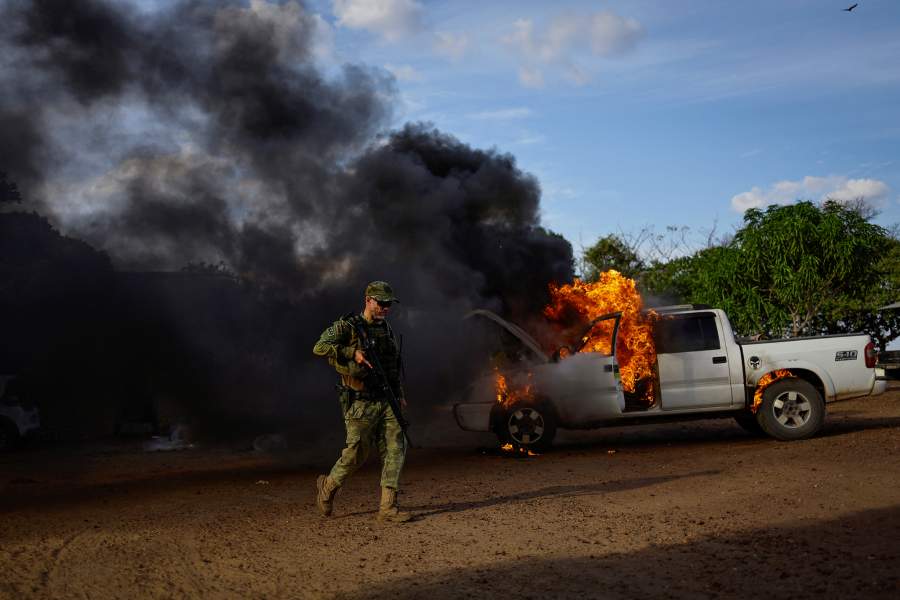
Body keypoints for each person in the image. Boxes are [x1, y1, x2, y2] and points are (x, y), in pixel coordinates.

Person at [312, 281, 411, 522]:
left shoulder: (386, 328)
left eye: (389, 304)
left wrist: (399, 394)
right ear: (368, 300)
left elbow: (392, 367)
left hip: (386, 400)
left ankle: (388, 507)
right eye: (382, 303)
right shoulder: (348, 327)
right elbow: (319, 347)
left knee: (395, 448)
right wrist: (351, 353)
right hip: (361, 402)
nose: (386, 308)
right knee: (356, 453)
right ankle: (328, 487)